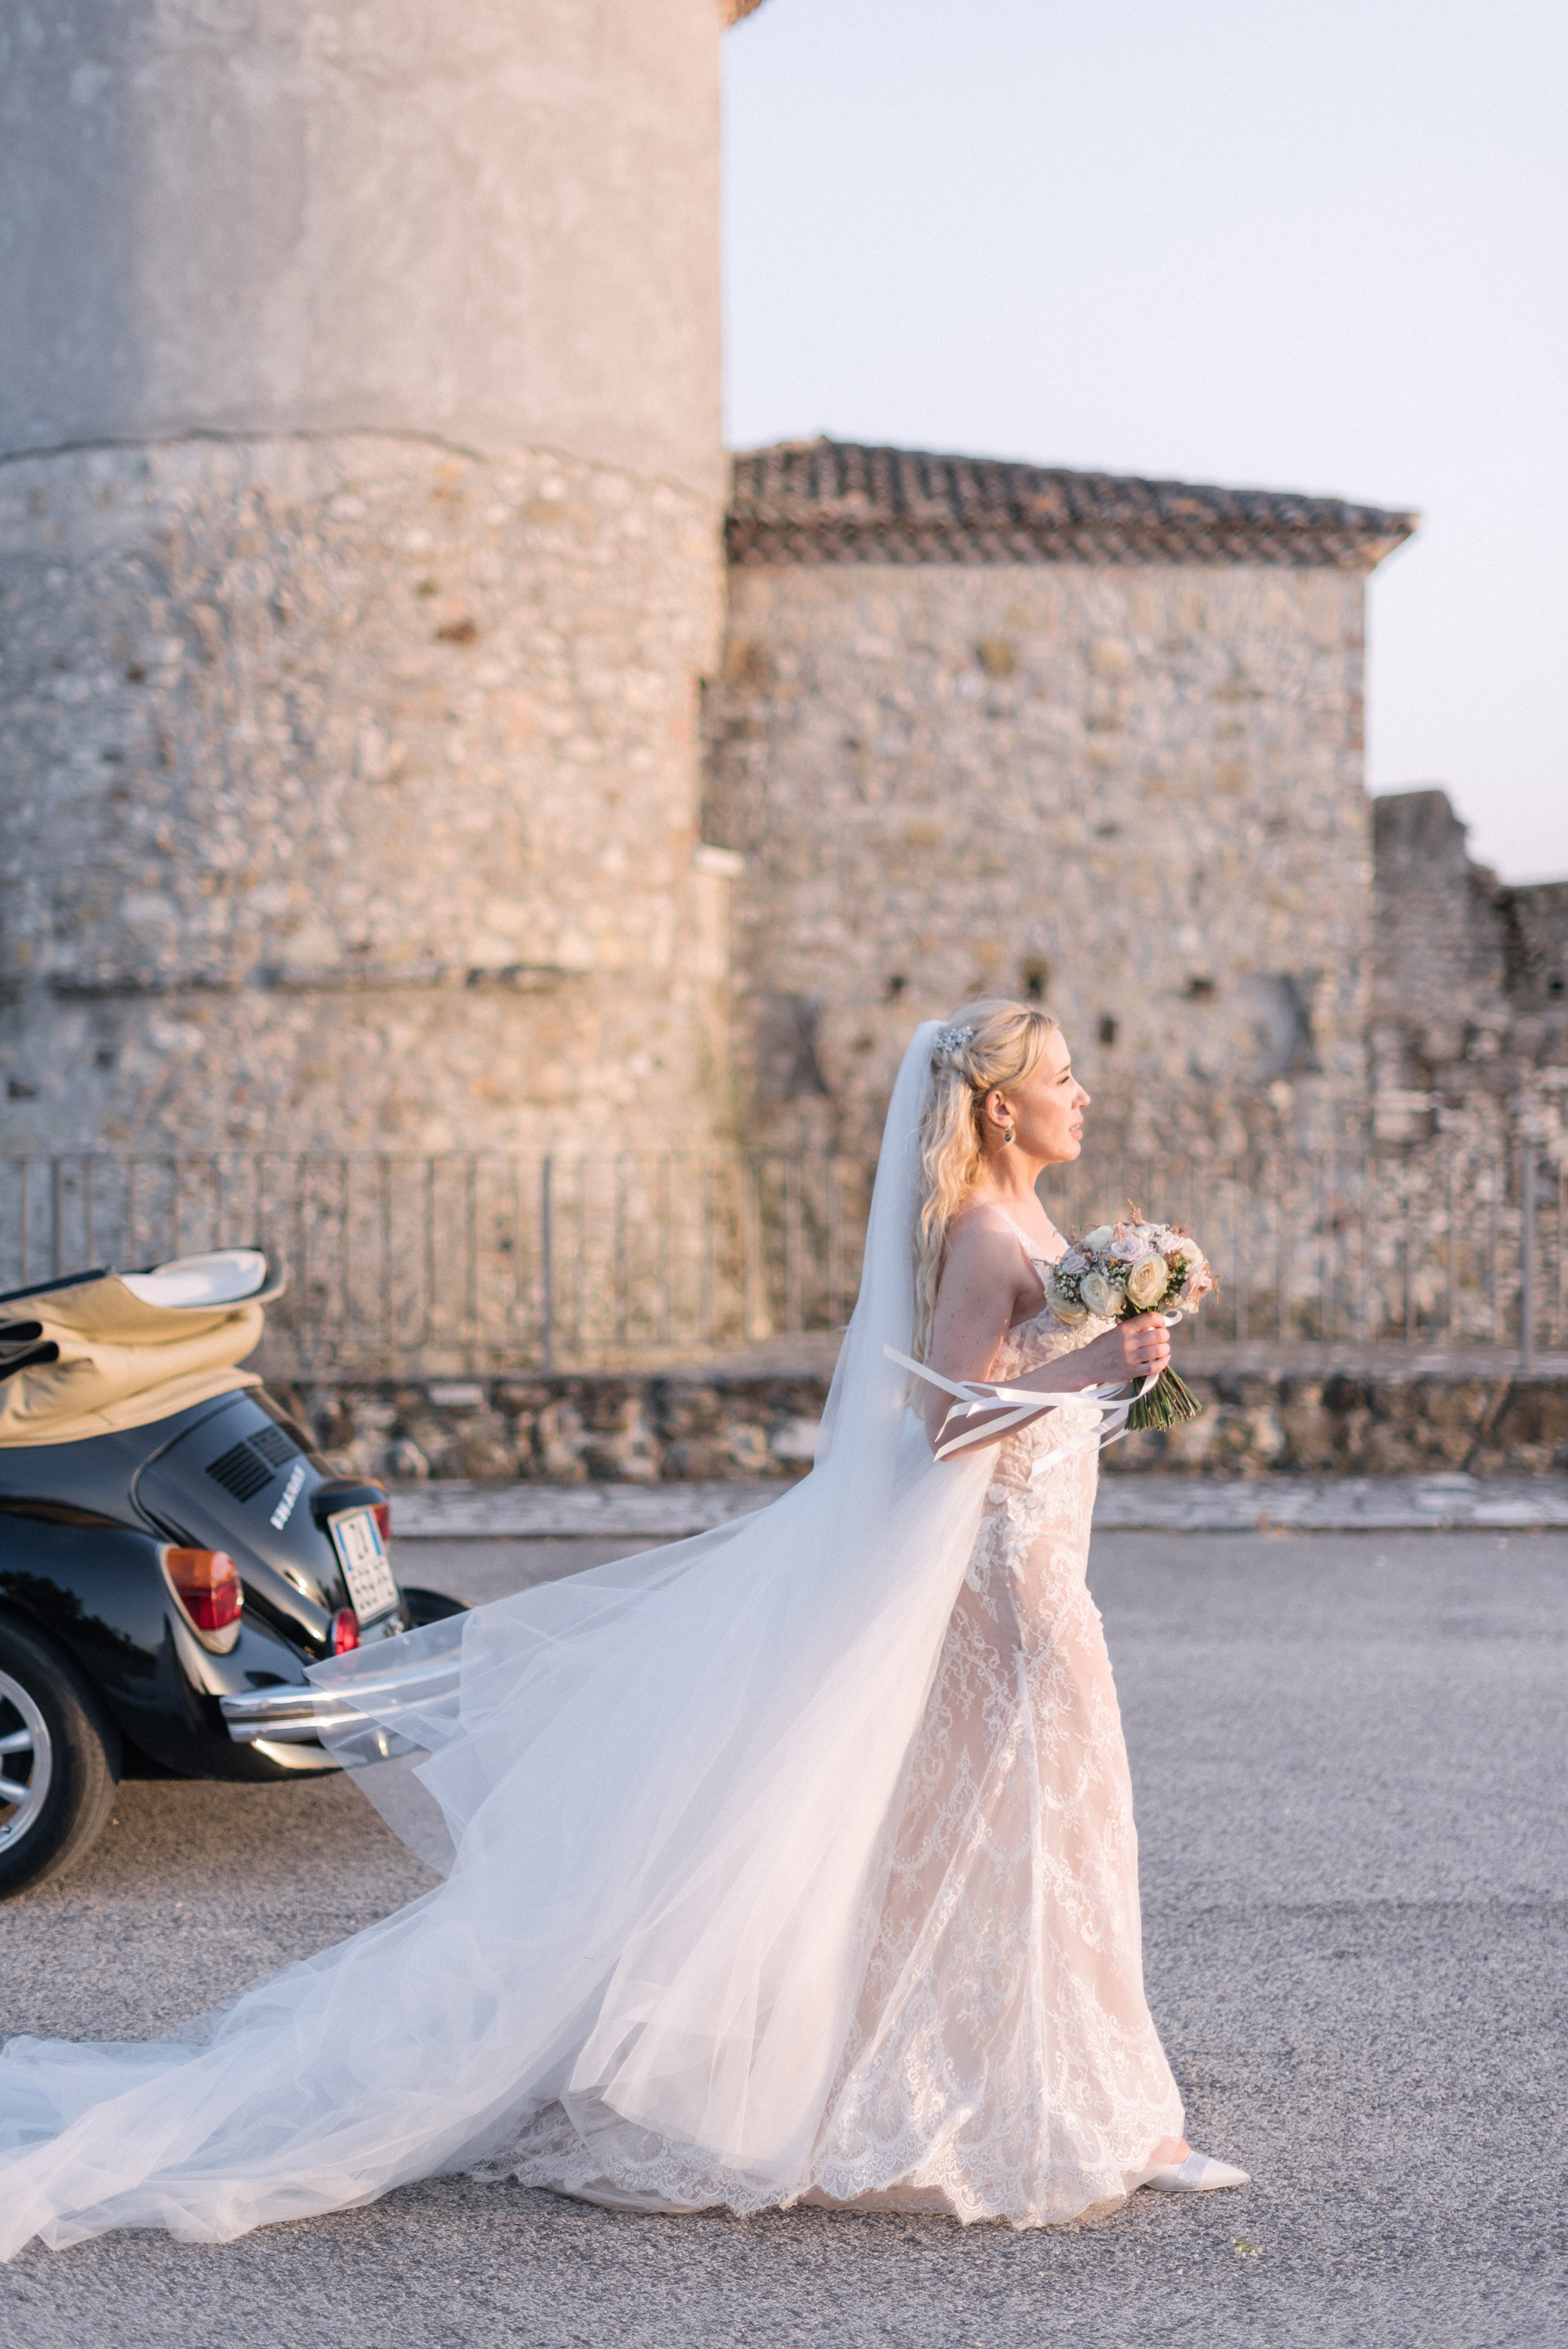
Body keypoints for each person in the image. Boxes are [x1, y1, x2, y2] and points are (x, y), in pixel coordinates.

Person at [0, 1002, 1245, 2255]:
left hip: (1041, 1562)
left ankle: (1094, 2100)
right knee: (1028, 1828)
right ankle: (1077, 2112)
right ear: (997, 1109)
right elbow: (947, 1429)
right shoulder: (983, 1233)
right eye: (1063, 1080)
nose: (1083, 1096)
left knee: (1045, 1829)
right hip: (999, 1584)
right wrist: (1086, 1371)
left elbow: (1021, 1415)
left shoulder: (1038, 1225)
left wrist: (1119, 1379)